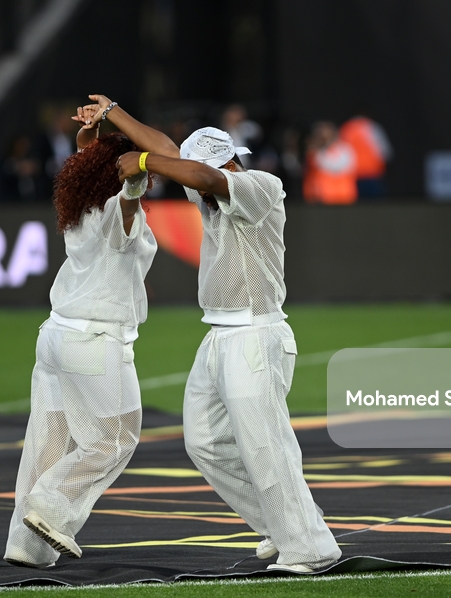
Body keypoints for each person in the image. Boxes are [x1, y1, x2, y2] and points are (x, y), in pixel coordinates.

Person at [110, 96, 342, 573]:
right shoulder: (209, 184)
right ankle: (288, 528)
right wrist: (114, 111)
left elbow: (201, 174)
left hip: (256, 333)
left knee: (265, 445)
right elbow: (171, 152)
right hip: (219, 334)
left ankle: (310, 548)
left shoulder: (258, 185)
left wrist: (151, 163)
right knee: (205, 441)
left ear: (228, 161)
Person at [3, 99, 158, 568]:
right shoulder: (119, 210)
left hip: (54, 337)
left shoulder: (80, 205)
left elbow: (86, 159)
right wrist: (132, 157)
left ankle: (25, 547)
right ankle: (49, 507)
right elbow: (132, 186)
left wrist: (91, 136)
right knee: (116, 439)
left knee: (48, 443)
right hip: (92, 341)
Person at [303, 121, 357, 205]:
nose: (323, 136)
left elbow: (341, 167)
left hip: (344, 197)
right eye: (319, 134)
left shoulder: (344, 149)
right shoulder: (312, 152)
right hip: (319, 199)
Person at [339, 114, 393, 199]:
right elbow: (386, 152)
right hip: (372, 174)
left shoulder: (346, 128)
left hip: (353, 175)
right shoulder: (372, 127)